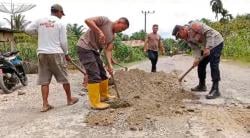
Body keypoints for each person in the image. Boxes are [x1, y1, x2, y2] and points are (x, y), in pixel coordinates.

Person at [25, 4, 78, 112]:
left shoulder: (40, 20)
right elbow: (63, 41)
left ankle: (45, 104)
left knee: (44, 80)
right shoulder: (60, 23)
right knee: (64, 77)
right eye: (61, 14)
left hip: (42, 53)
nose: (62, 16)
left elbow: (27, 29)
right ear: (58, 12)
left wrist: (39, 33)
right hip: (56, 53)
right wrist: (66, 53)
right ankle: (69, 99)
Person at [77, 16, 129, 109]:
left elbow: (108, 51)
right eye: (122, 28)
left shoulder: (113, 36)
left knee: (103, 73)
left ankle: (104, 95)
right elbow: (87, 20)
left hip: (94, 50)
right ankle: (95, 103)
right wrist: (99, 31)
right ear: (118, 22)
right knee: (94, 74)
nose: (122, 31)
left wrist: (110, 65)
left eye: (123, 30)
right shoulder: (104, 20)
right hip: (85, 47)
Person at [172, 21, 224, 99]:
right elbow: (195, 49)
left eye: (179, 35)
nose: (180, 38)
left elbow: (209, 33)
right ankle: (202, 85)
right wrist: (197, 58)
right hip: (206, 46)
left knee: (213, 64)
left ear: (182, 29)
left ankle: (215, 90)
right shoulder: (187, 39)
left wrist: (208, 47)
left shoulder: (194, 26)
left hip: (216, 41)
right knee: (201, 64)